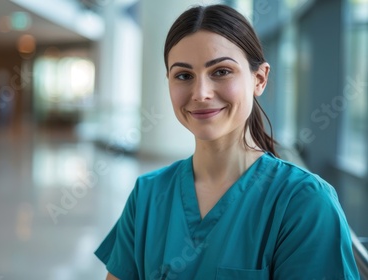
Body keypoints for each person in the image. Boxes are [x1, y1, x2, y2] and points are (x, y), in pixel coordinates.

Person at [94, 4, 360, 280]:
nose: (200, 93)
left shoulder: (304, 202)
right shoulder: (148, 196)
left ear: (259, 79)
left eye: (221, 71)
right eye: (184, 76)